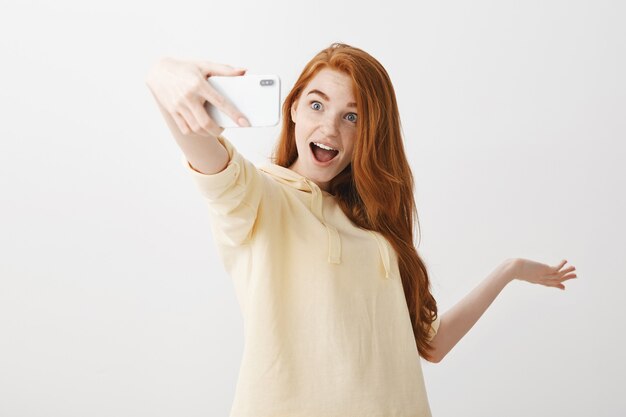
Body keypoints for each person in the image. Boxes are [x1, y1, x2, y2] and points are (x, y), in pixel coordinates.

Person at [145, 42, 578, 417]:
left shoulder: (375, 230)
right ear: (293, 108)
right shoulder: (258, 196)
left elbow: (431, 344)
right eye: (317, 105)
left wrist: (509, 269)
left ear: (369, 132)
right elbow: (209, 159)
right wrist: (164, 74)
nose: (330, 127)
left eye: (352, 117)